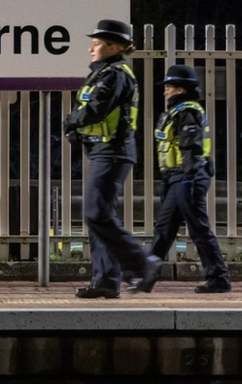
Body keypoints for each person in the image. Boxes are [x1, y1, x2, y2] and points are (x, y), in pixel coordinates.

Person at [63, 19, 161, 299]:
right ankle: (106, 279)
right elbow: (94, 113)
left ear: (113, 46)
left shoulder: (115, 75)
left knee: (96, 214)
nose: (90, 48)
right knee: (98, 217)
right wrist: (77, 130)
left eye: (97, 43)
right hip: (103, 152)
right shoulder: (104, 74)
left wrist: (71, 121)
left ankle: (143, 265)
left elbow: (95, 110)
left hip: (113, 153)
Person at [148, 64, 231, 293]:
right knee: (164, 229)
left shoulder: (187, 111)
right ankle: (145, 275)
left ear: (180, 89)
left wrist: (187, 178)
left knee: (198, 228)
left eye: (168, 87)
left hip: (189, 177)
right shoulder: (176, 111)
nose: (164, 91)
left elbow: (191, 149)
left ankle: (219, 278)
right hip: (176, 178)